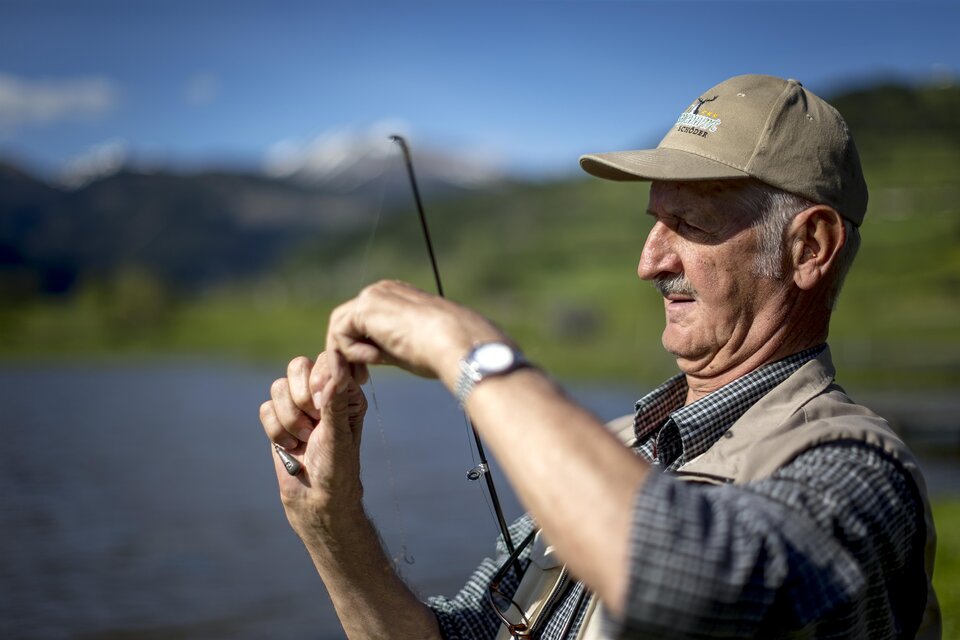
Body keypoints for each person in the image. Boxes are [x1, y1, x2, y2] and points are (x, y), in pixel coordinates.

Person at [259, 75, 940, 639]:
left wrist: (465, 350)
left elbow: (694, 582)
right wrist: (331, 520)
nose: (649, 262)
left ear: (809, 247)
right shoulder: (612, 455)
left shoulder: (860, 474)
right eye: (654, 223)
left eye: (692, 225)